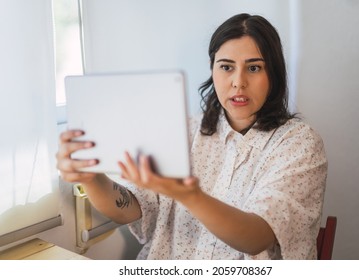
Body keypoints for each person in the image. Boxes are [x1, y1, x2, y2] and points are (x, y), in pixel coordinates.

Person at [56, 13, 327, 260]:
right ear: (212, 70)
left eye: (254, 68)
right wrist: (91, 178)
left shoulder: (299, 144)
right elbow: (130, 207)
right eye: (226, 67)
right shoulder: (182, 131)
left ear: (274, 74)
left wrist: (189, 196)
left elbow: (256, 237)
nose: (238, 82)